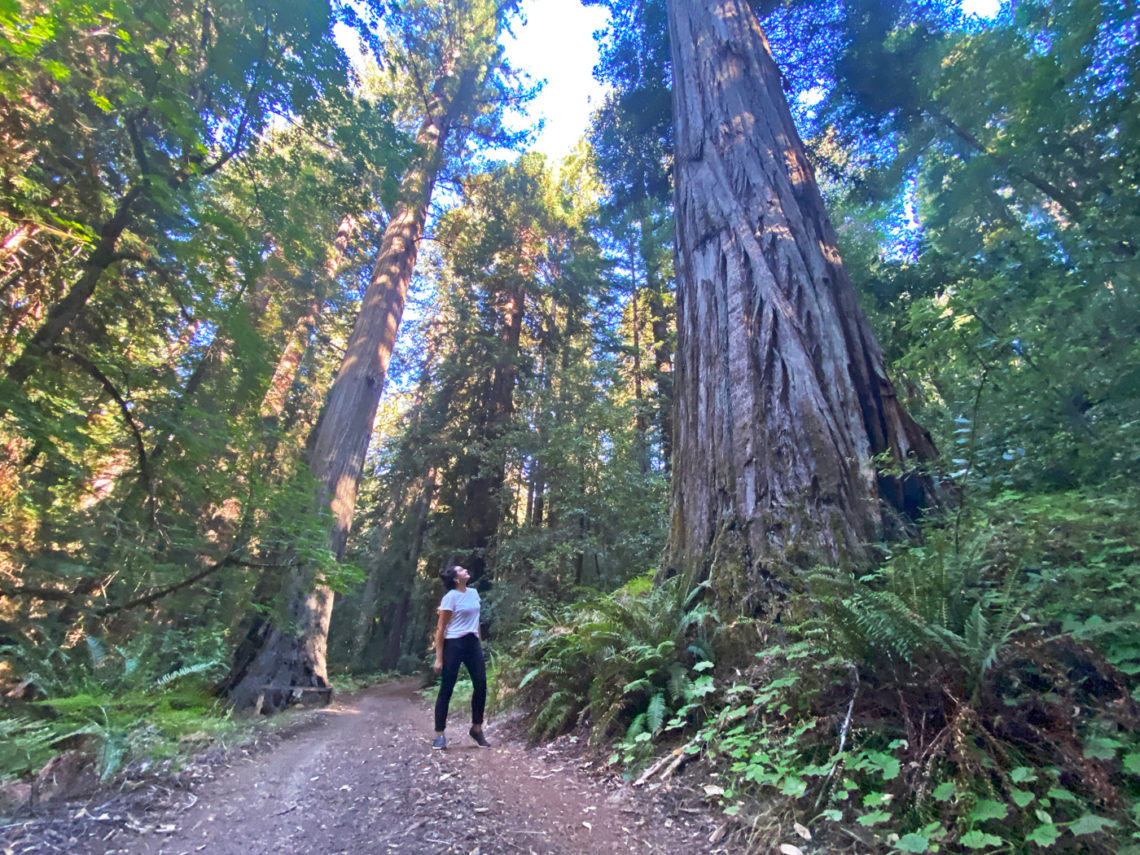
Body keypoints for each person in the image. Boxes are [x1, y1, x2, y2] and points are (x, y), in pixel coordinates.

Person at [432, 564, 490, 750]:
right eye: (462, 570)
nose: (466, 570)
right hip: (454, 644)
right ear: (456, 579)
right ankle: (440, 734)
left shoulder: (473, 593)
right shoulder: (450, 598)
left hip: (472, 643)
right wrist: (439, 658)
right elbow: (441, 629)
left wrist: (479, 642)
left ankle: (477, 728)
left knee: (481, 684)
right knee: (447, 688)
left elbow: (476, 620)